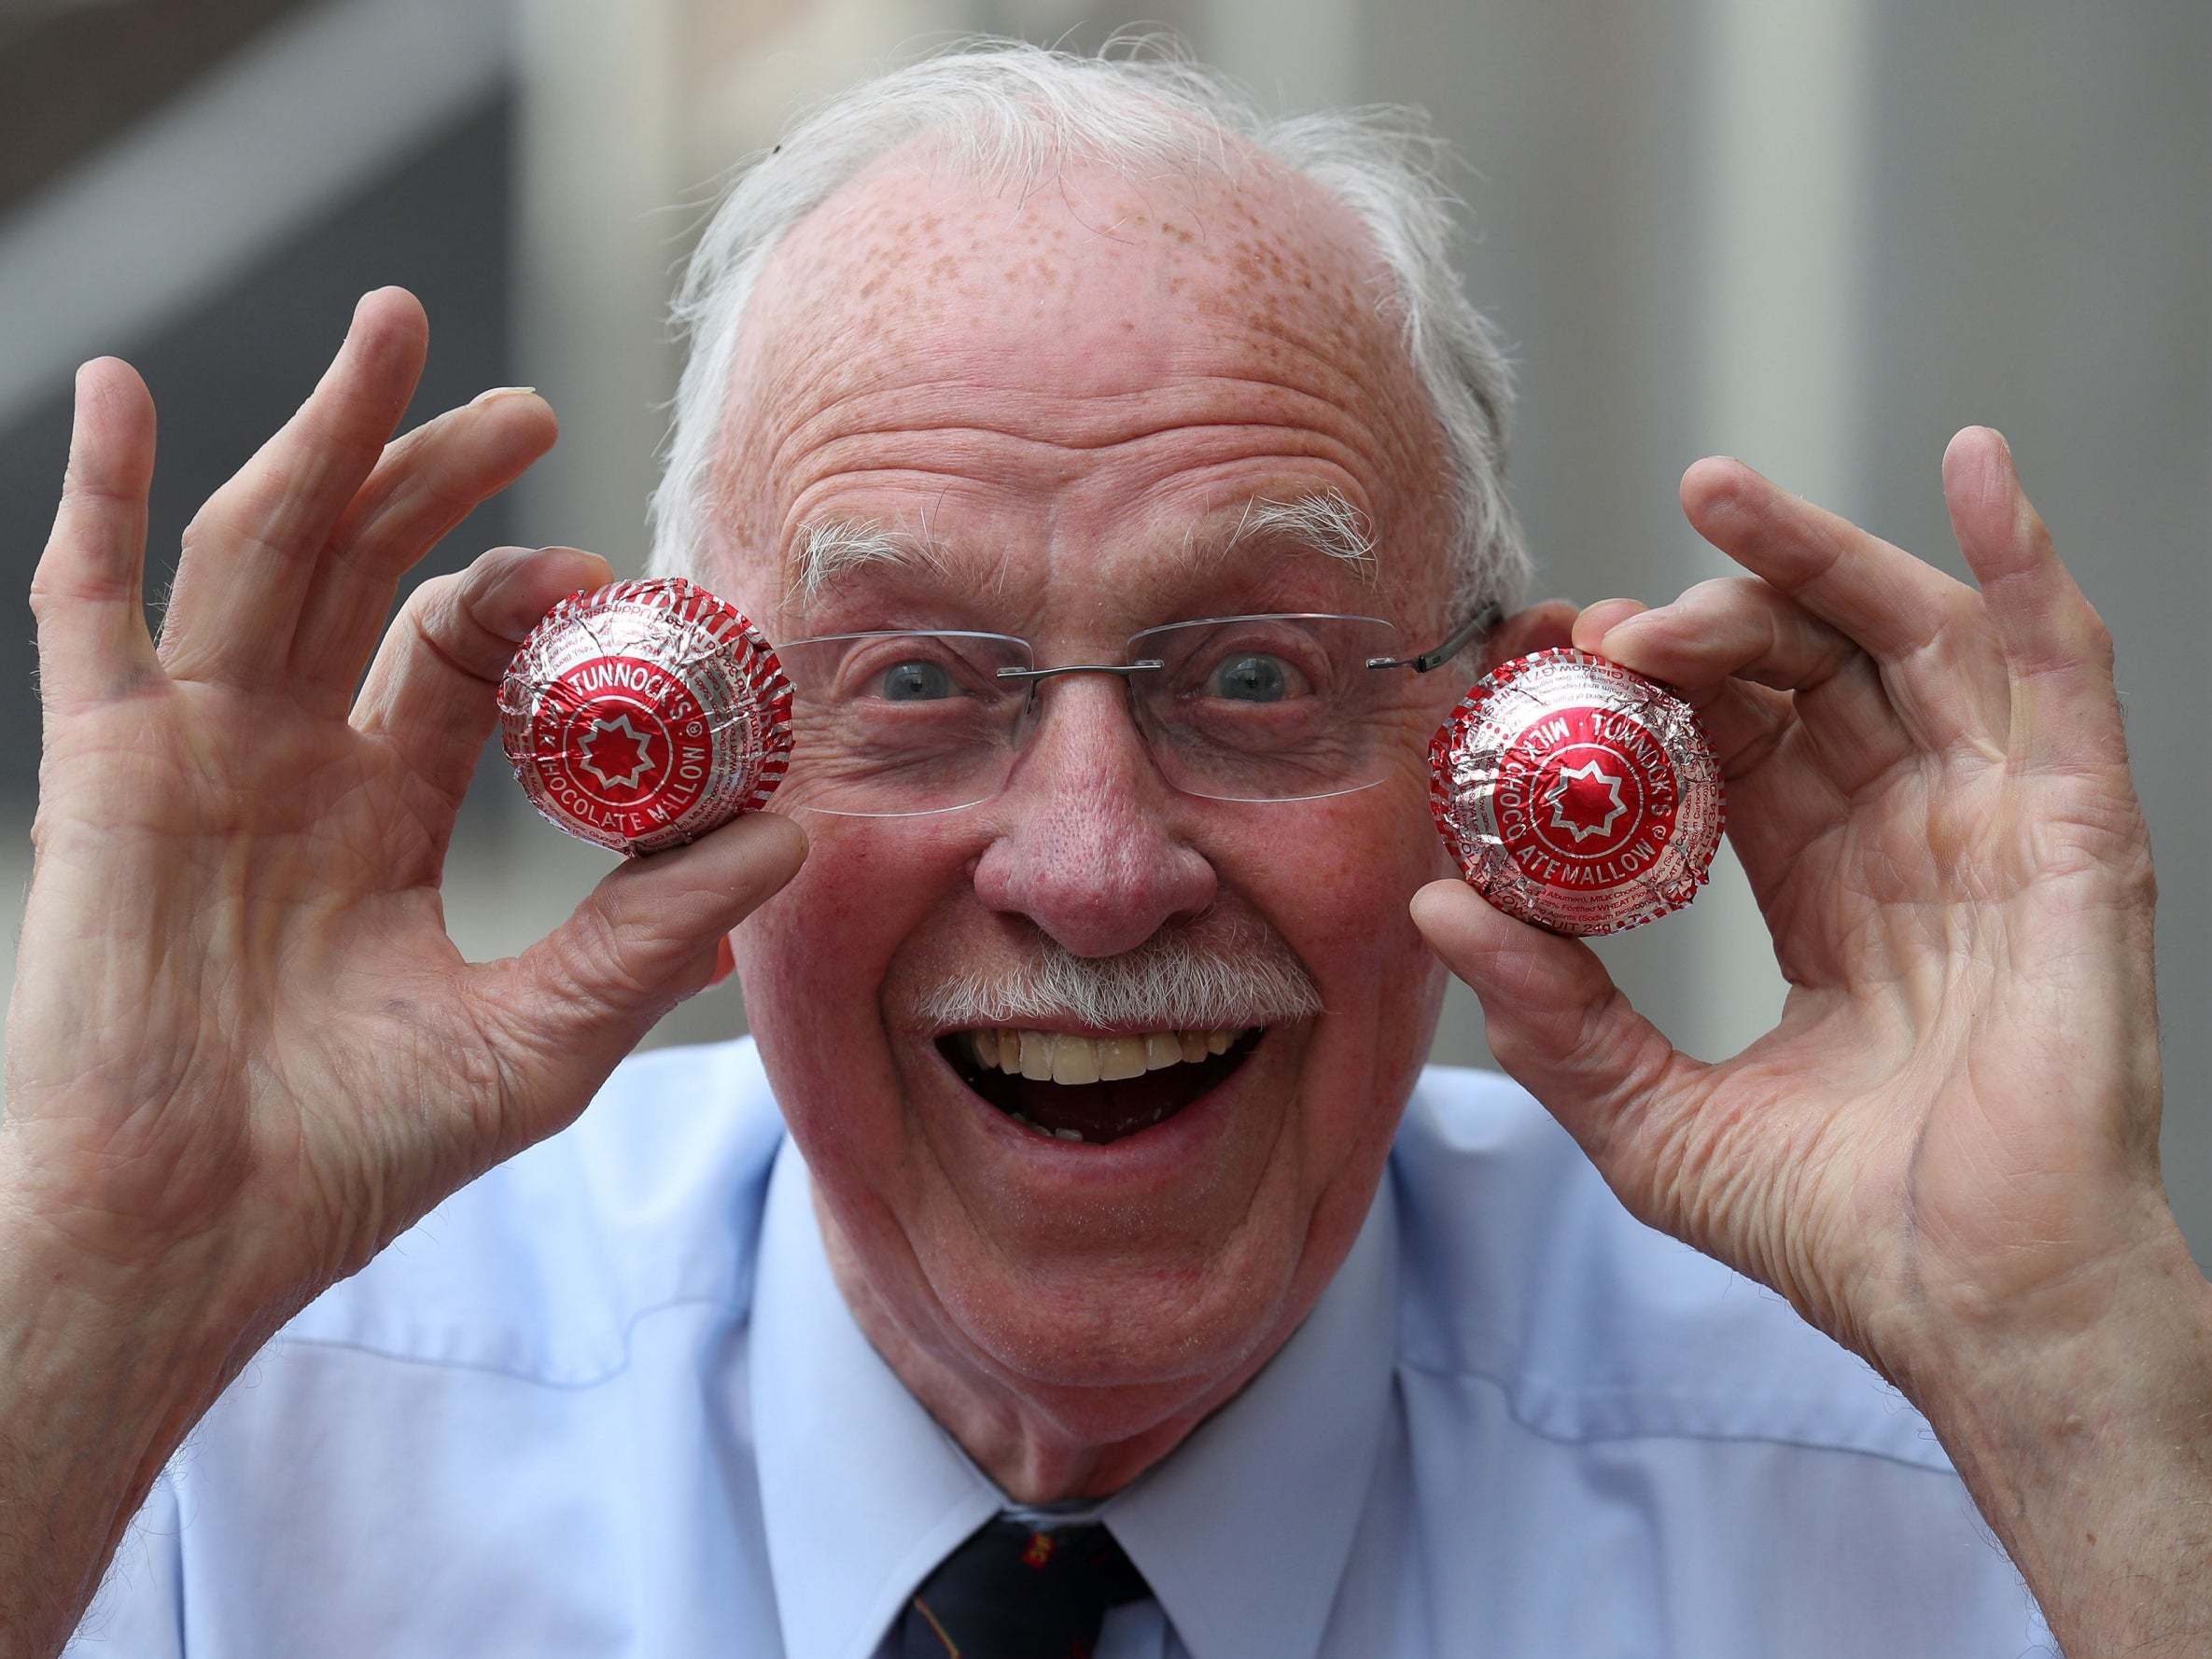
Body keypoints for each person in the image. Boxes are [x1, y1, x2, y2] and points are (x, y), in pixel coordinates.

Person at [10, 41, 2202, 1659]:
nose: (1090, 866)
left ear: (1496, 743)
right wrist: (94, 1281)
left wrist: (2072, 1371)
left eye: (1253, 677)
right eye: (916, 682)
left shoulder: (1934, 1462)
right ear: (688, 752)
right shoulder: (227, 1417)